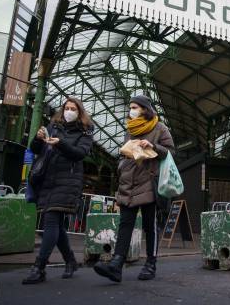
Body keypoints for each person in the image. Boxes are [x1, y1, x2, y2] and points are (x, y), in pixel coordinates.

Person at [94, 95, 175, 283]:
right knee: (125, 224)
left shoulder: (160, 128)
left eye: (135, 107)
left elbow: (171, 151)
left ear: (145, 109)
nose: (131, 110)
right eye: (131, 107)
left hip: (149, 181)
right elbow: (124, 153)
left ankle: (150, 263)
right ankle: (116, 264)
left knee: (149, 225)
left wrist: (153, 146)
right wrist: (122, 164)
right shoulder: (130, 130)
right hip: (128, 183)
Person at [22, 97, 94, 284]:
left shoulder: (86, 131)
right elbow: (37, 149)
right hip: (48, 179)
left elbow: (80, 154)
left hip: (68, 181)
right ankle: (70, 260)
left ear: (80, 112)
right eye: (66, 108)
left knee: (51, 221)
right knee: (56, 225)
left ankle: (39, 267)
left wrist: (60, 143)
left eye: (73, 109)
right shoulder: (54, 125)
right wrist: (37, 139)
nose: (69, 111)